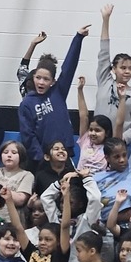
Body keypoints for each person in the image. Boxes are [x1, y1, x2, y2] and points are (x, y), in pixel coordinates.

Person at [19, 25, 88, 163]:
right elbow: (28, 134)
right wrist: (40, 158)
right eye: (38, 78)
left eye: (46, 79)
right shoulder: (27, 103)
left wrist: (78, 38)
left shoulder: (58, 92)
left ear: (53, 81)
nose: (41, 82)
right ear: (33, 77)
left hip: (64, 152)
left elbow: (69, 67)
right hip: (43, 157)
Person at [93, 4, 131, 142]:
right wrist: (105, 20)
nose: (127, 71)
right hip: (96, 140)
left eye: (130, 68)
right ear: (113, 69)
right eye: (123, 68)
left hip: (118, 144)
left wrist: (123, 138)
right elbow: (104, 51)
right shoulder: (105, 81)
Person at [75, 75, 115, 173]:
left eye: (97, 130)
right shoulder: (86, 140)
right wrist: (80, 90)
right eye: (91, 129)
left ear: (107, 132)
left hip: (99, 182)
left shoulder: (110, 147)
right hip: (80, 181)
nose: (92, 133)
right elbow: (83, 116)